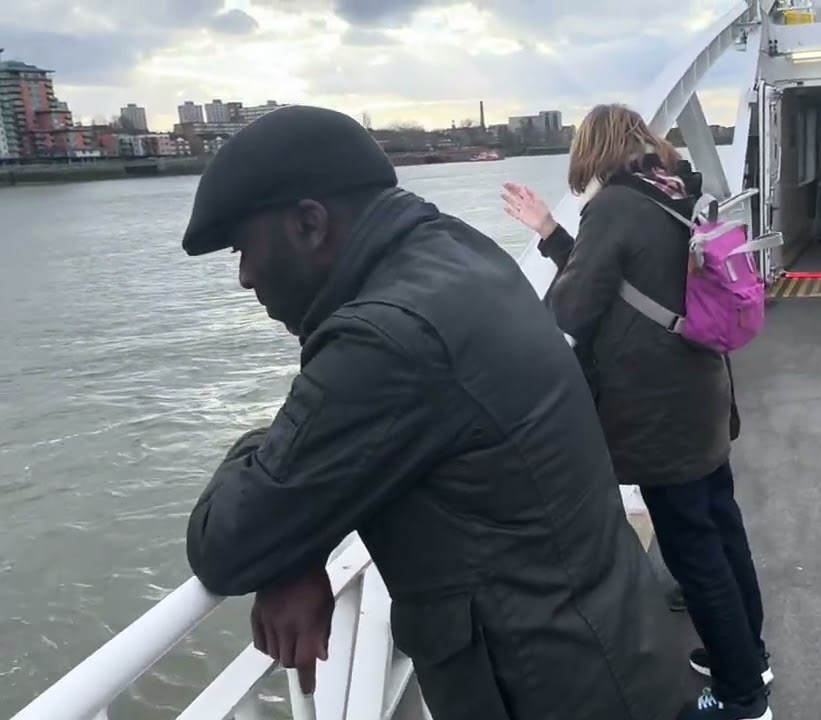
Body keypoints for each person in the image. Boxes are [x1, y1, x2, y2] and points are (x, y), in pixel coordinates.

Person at [180, 105, 684, 720]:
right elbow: (342, 457)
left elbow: (227, 543)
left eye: (242, 248)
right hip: (605, 650)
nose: (243, 277)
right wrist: (301, 538)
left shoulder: (387, 338)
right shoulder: (454, 252)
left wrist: (271, 471)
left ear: (310, 223)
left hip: (548, 689)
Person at [501, 103, 772, 720]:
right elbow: (630, 278)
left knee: (693, 552)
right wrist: (551, 233)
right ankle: (747, 656)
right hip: (702, 391)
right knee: (721, 527)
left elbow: (574, 308)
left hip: (658, 413)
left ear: (591, 151)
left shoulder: (615, 205)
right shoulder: (677, 193)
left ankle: (742, 698)